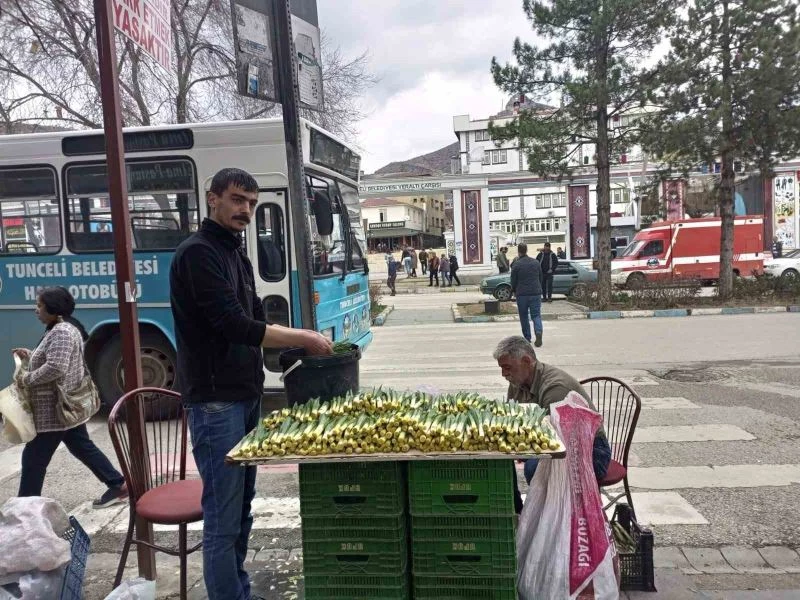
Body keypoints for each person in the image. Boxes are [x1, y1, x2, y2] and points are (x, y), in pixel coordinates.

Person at [170, 168, 332, 600]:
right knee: (223, 517)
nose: (245, 210)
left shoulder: (235, 253)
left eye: (252, 203)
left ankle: (237, 590)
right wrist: (303, 337)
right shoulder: (198, 254)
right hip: (215, 402)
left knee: (241, 510)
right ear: (213, 198)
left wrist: (294, 346)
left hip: (245, 396)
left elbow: (258, 316)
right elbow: (232, 325)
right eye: (238, 199)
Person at [13, 286, 127, 507]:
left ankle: (25, 509)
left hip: (54, 410)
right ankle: (117, 484)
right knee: (81, 446)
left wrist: (26, 378)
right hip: (62, 408)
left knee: (33, 459)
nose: (36, 310)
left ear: (53, 308)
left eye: (39, 305)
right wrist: (31, 355)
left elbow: (56, 367)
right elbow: (53, 358)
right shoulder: (57, 329)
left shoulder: (62, 332)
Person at [493, 336, 611, 514]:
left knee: (534, 468)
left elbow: (555, 443)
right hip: (556, 445)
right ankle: (517, 513)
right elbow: (514, 419)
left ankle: (551, 521)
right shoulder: (518, 382)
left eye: (507, 368)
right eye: (501, 368)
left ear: (526, 361)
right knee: (499, 460)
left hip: (590, 451)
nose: (504, 374)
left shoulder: (555, 388)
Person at [510, 243, 544, 347]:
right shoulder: (536, 262)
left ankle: (527, 338)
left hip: (522, 294)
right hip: (535, 293)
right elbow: (540, 277)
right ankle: (538, 332)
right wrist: (538, 287)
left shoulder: (516, 264)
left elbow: (513, 280)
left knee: (524, 316)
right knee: (536, 315)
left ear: (518, 251)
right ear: (526, 250)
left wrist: (514, 290)